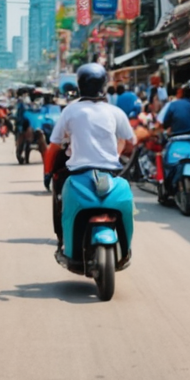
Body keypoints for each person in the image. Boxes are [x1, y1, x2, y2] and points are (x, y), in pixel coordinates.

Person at [46, 63, 135, 245]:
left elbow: (54, 146)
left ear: (79, 86)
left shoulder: (70, 110)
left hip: (78, 174)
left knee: (61, 202)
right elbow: (130, 142)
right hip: (110, 174)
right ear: (103, 85)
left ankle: (63, 242)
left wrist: (47, 172)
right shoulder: (115, 112)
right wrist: (118, 154)